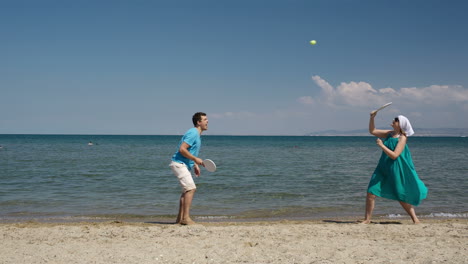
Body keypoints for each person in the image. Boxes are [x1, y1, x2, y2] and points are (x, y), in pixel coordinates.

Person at [362, 111, 428, 224]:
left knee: (400, 194)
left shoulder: (402, 138)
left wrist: (382, 146)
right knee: (371, 192)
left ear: (400, 124)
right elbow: (372, 131)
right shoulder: (389, 134)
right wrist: (372, 118)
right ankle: (367, 219)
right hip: (382, 167)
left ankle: (415, 219)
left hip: (396, 168)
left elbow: (394, 155)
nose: (393, 120)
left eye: (396, 120)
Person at [169, 112, 208, 225]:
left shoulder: (197, 134)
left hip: (182, 164)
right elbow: (182, 149)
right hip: (178, 163)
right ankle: (186, 218)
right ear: (198, 122)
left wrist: (193, 165)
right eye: (205, 119)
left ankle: (179, 220)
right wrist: (196, 159)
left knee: (186, 191)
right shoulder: (193, 133)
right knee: (191, 188)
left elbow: (189, 152)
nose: (207, 121)